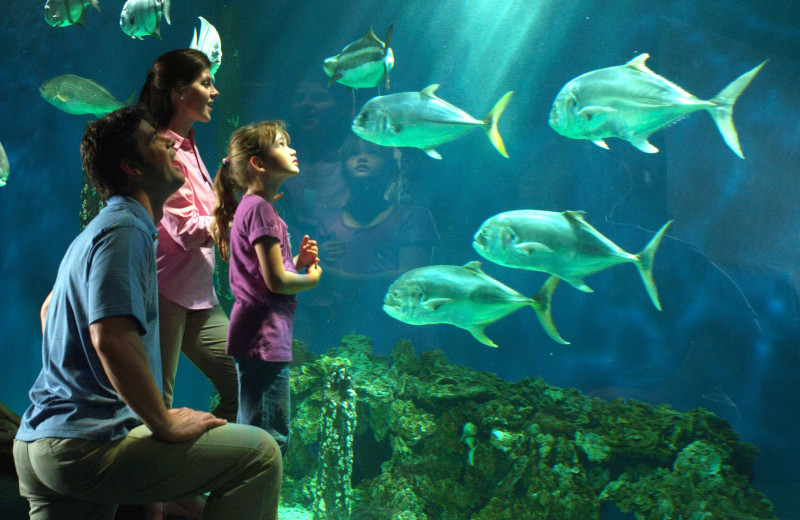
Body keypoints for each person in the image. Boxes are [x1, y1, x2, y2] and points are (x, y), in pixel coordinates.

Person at [13, 106, 282, 520]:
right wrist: (162, 423)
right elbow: (111, 336)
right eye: (156, 142)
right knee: (260, 454)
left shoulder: (98, 231)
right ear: (130, 167)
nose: (171, 143)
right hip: (84, 449)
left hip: (41, 442)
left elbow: (51, 310)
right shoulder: (128, 229)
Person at [138, 49, 238, 422]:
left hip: (197, 292)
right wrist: (236, 221)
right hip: (163, 292)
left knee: (245, 380)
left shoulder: (189, 144)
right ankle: (160, 474)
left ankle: (216, 461)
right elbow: (184, 230)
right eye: (206, 83)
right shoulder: (164, 149)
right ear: (180, 93)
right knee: (155, 405)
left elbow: (206, 216)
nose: (215, 93)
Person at [212, 121, 321, 455]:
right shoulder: (261, 210)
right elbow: (276, 282)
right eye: (280, 144)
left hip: (255, 333)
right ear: (258, 163)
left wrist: (296, 263)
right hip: (265, 335)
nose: (292, 149)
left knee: (253, 432)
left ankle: (246, 503)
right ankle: (254, 505)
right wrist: (311, 278)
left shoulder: (251, 207)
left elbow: (264, 276)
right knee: (269, 440)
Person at [295, 136, 439, 353]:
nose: (362, 158)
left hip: (397, 332)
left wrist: (345, 279)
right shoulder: (328, 222)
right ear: (342, 170)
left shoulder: (413, 218)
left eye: (372, 153)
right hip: (338, 332)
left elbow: (414, 279)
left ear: (392, 169)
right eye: (354, 154)